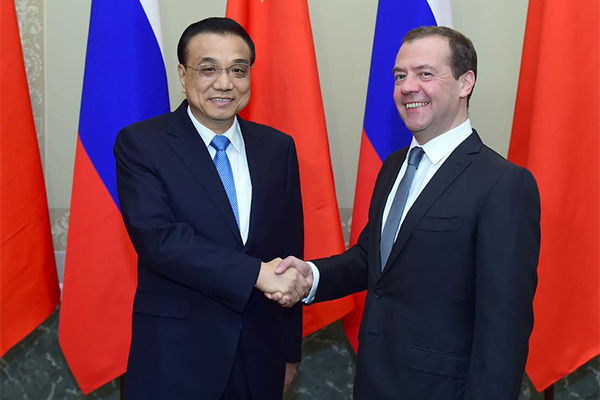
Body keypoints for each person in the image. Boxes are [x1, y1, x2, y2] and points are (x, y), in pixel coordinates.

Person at [272, 26, 541, 399]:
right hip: (373, 383)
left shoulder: (503, 184)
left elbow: (504, 327)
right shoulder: (394, 166)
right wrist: (310, 276)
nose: (408, 86)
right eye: (400, 76)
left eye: (425, 74)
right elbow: (373, 260)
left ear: (466, 83)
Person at [114, 17, 310, 400]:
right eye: (209, 69)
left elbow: (289, 249)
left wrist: (288, 352)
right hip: (175, 359)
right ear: (183, 74)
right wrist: (255, 273)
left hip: (260, 357)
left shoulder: (278, 148)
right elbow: (161, 241)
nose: (225, 83)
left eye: (238, 70)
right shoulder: (142, 144)